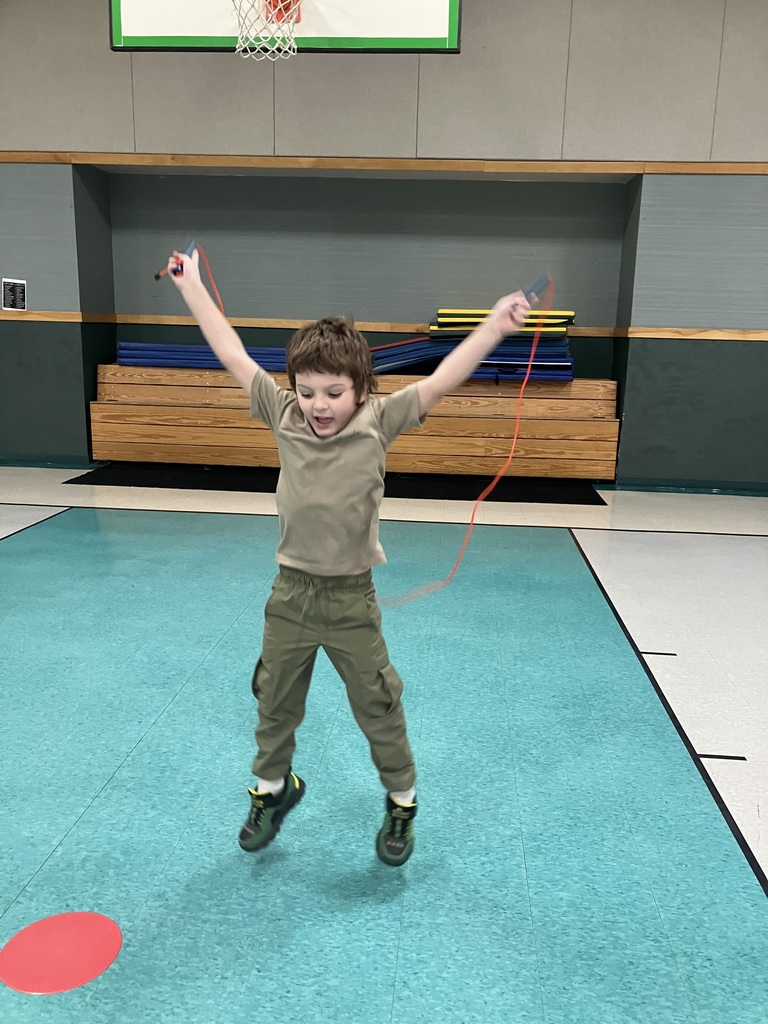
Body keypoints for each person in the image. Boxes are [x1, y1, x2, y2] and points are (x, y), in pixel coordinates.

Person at [167, 248, 531, 866]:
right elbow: (230, 351)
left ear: (361, 389)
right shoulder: (281, 413)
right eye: (307, 391)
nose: (319, 405)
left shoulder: (380, 421)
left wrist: (494, 326)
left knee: (378, 705)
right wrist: (192, 284)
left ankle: (401, 802)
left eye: (334, 392)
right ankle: (274, 791)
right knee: (273, 701)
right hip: (289, 595)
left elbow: (442, 379)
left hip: (350, 601)